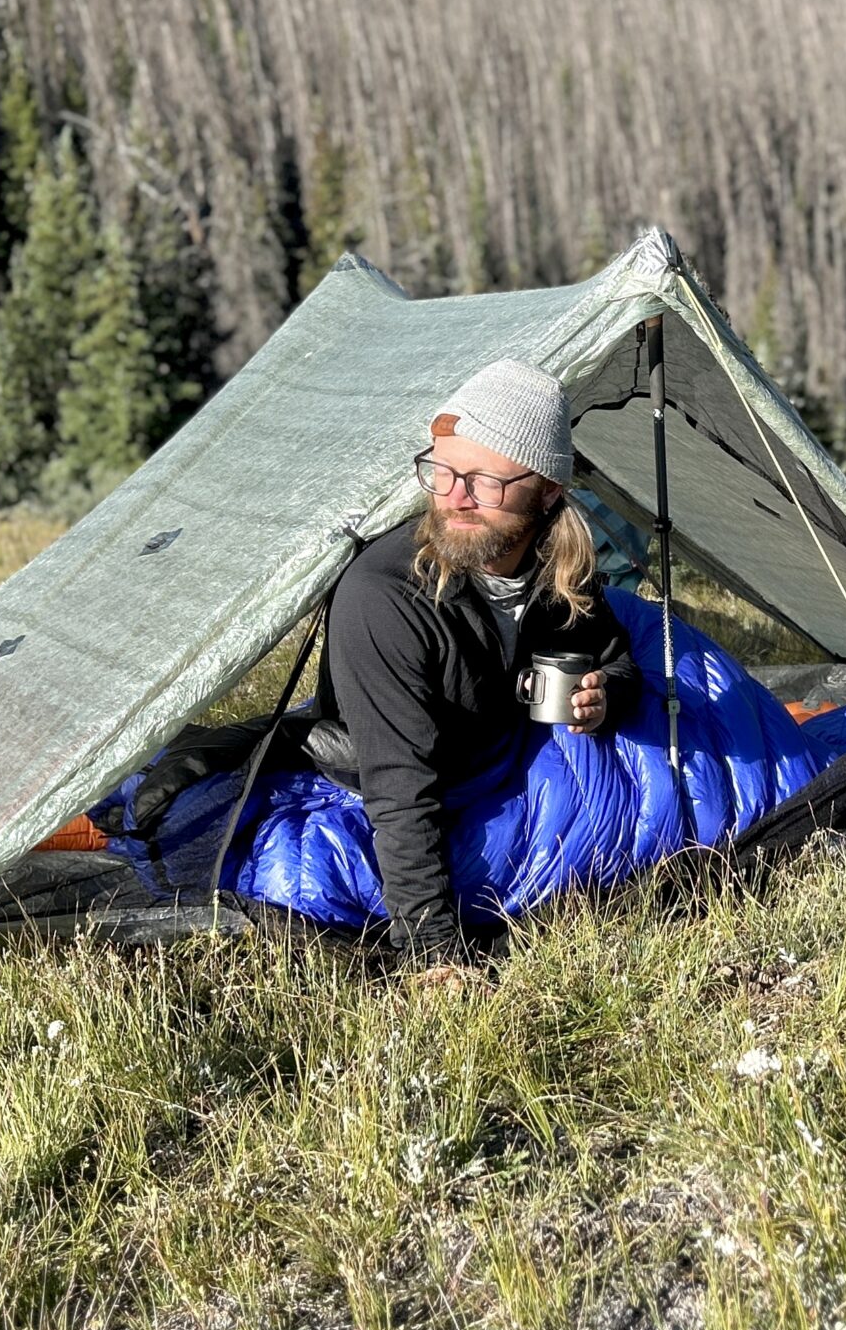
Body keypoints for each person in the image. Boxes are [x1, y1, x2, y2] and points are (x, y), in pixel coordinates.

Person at [115, 359, 639, 963]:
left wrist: (606, 699)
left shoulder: (561, 569)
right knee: (315, 885)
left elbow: (615, 659)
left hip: (494, 753)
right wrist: (432, 948)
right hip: (380, 772)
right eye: (440, 473)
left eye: (484, 482)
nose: (454, 499)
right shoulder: (385, 592)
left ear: (548, 491)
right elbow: (399, 788)